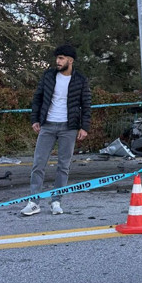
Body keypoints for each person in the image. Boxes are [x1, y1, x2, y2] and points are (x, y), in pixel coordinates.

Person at [21, 45, 91, 216]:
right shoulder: (48, 76)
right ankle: (34, 202)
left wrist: (84, 127)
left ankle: (56, 201)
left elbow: (86, 104)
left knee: (63, 166)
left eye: (61, 58)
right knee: (38, 164)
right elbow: (37, 98)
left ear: (70, 60)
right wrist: (35, 119)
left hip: (69, 128)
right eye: (57, 58)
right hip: (48, 125)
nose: (57, 61)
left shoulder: (80, 80)